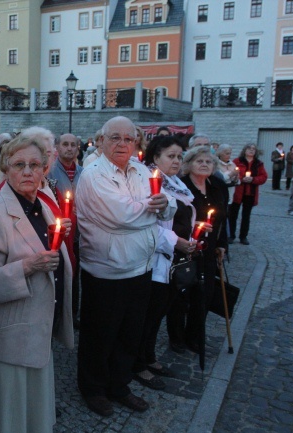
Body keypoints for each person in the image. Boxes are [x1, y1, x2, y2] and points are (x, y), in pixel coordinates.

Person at [0, 134, 74, 433]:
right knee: (9, 417)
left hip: (36, 330)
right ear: (5, 168)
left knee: (32, 414)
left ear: (44, 170)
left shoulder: (44, 206)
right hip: (8, 339)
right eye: (19, 165)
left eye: (35, 165)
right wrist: (27, 267)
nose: (28, 172)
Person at [76, 116, 175, 417]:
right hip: (106, 269)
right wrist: (152, 210)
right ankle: (93, 388)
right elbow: (121, 216)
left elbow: (167, 202)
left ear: (136, 142)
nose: (122, 144)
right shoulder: (94, 175)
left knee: (129, 333)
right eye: (115, 138)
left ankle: (120, 384)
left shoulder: (142, 169)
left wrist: (159, 206)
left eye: (128, 139)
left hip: (141, 267)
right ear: (102, 141)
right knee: (100, 334)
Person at [132, 135, 194, 389]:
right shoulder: (150, 183)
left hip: (173, 261)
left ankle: (149, 356)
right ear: (155, 157)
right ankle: (137, 364)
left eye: (180, 156)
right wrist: (175, 241)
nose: (177, 161)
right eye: (171, 156)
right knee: (147, 315)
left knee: (159, 313)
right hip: (154, 259)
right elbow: (146, 225)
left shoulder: (177, 184)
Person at [170, 146, 228, 354]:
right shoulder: (182, 187)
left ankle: (194, 336)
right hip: (186, 247)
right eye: (199, 161)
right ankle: (176, 337)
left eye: (208, 162)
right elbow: (178, 219)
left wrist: (222, 244)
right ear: (189, 164)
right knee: (181, 294)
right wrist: (198, 226)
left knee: (204, 295)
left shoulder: (217, 186)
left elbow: (223, 218)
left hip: (209, 249)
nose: (204, 164)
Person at [48, 132, 83, 326]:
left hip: (78, 234)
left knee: (75, 273)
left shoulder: (82, 172)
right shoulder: (51, 172)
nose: (69, 148)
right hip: (59, 232)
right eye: (66, 144)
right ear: (58, 148)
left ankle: (73, 312)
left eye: (73, 145)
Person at [229, 144, 268, 245]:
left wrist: (253, 179)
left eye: (253, 149)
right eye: (249, 149)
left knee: (246, 216)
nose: (251, 151)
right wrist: (241, 178)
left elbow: (263, 177)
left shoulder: (259, 163)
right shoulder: (237, 161)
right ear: (244, 150)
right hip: (238, 192)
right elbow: (232, 173)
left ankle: (243, 236)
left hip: (250, 192)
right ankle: (231, 235)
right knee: (233, 215)